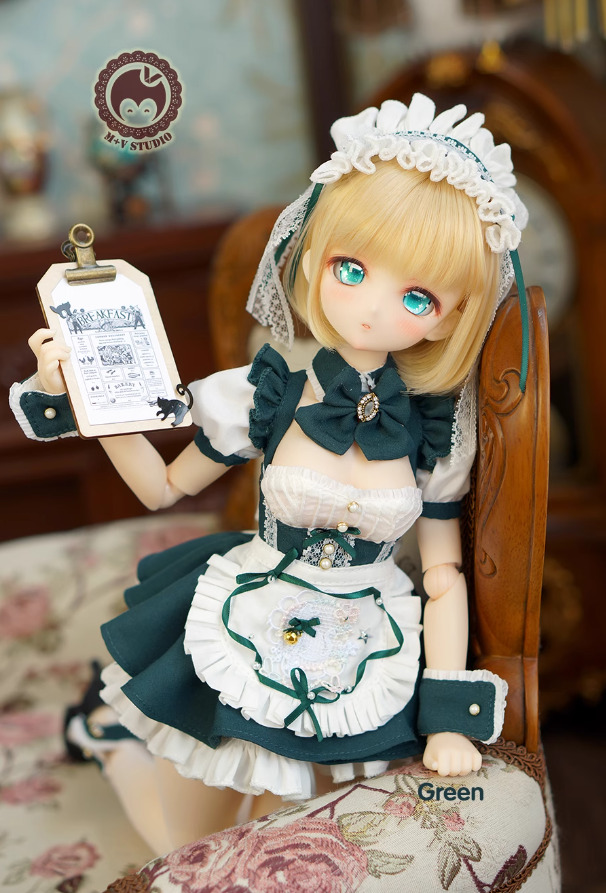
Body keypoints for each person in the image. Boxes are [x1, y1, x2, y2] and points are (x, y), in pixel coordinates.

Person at [9, 94, 527, 855]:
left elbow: (443, 576)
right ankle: (107, 739)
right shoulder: (267, 392)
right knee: (184, 846)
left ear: (449, 318)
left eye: (417, 295)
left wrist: (448, 713)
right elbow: (162, 488)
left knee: (288, 839)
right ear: (314, 258)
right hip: (244, 620)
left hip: (366, 643)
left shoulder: (435, 429)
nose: (371, 307)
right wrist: (77, 391)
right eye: (352, 268)